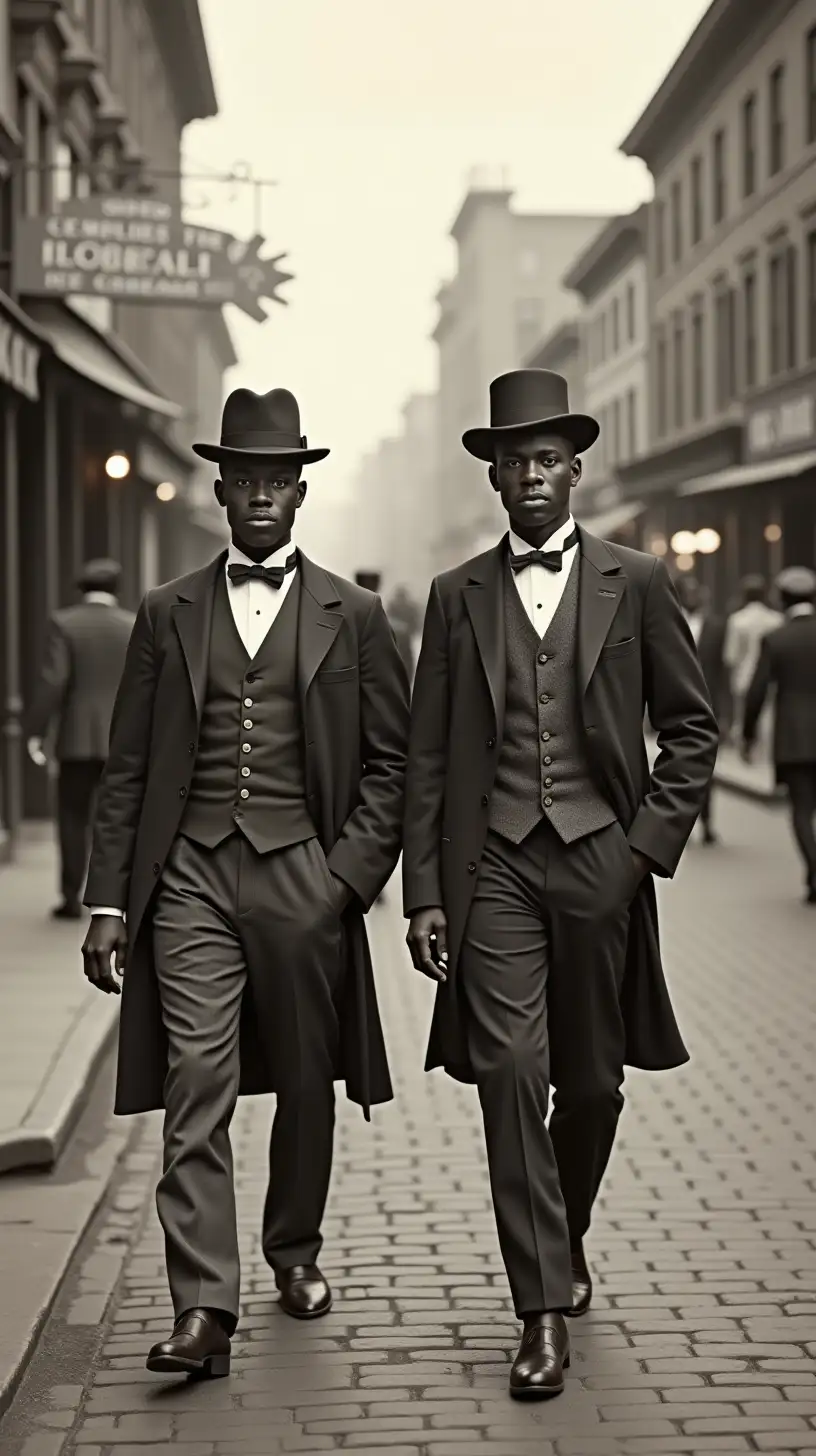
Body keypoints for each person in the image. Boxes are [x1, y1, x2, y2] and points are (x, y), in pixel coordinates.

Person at [80, 388, 410, 1378]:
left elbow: (394, 766)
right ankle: (203, 1308)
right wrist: (107, 897)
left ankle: (294, 1248)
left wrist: (343, 877)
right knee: (198, 1083)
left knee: (307, 1081)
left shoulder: (355, 615)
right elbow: (128, 767)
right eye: (246, 480)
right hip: (186, 880)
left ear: (299, 491)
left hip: (303, 877)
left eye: (279, 480)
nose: (262, 494)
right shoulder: (163, 611)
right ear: (220, 489)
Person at [403, 369, 718, 1401]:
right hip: (493, 862)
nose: (530, 475)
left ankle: (565, 1224)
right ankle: (539, 1306)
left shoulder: (639, 580)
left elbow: (692, 729)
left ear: (574, 470)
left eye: (547, 459)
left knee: (588, 1084)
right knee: (508, 1069)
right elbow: (429, 758)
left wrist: (640, 852)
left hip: (600, 861)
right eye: (513, 461)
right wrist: (425, 893)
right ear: (493, 476)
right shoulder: (457, 596)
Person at [26, 559, 135, 919]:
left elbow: (53, 682)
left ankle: (71, 897)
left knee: (72, 817)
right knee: (116, 819)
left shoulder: (65, 623)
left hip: (74, 740)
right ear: (116, 588)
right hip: (122, 741)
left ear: (81, 587)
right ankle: (113, 897)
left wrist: (37, 731)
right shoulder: (132, 625)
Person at [742, 565, 816, 904]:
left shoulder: (776, 639)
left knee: (801, 810)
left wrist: (747, 735)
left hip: (794, 739)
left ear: (783, 599)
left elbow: (757, 692)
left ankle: (814, 870)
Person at [674, 575, 726, 844]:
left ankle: (707, 823)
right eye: (689, 591)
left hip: (709, 706)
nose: (694, 596)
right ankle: (682, 825)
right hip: (674, 708)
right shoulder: (667, 621)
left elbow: (723, 672)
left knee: (708, 768)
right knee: (679, 768)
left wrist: (726, 714)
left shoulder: (717, 627)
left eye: (697, 591)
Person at [723, 576, 782, 749]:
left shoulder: (737, 620)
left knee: (743, 718)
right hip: (772, 676)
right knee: (768, 717)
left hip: (744, 676)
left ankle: (747, 752)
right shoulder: (777, 619)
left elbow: (731, 656)